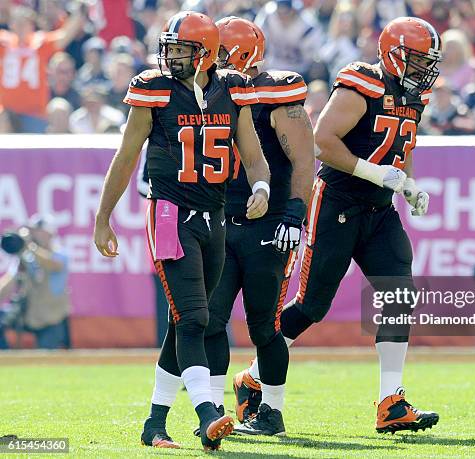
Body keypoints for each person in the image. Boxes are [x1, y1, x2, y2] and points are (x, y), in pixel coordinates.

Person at [236, 16, 441, 434]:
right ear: (393, 54)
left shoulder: (414, 96)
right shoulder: (361, 82)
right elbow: (324, 143)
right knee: (312, 305)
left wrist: (408, 183)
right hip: (338, 202)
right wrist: (374, 172)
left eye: (428, 62)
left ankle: (391, 401)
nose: (424, 70)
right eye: (417, 60)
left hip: (379, 208)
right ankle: (253, 377)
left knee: (399, 292)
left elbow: (403, 145)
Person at [93, 11, 270, 451]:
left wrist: (262, 184)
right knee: (194, 318)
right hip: (170, 214)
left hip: (215, 217)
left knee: (185, 323)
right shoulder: (155, 88)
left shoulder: (232, 88)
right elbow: (127, 154)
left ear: (206, 54)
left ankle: (154, 424)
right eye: (168, 48)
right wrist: (103, 217)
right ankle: (208, 412)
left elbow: (251, 148)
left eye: (181, 50)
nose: (171, 57)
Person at [200, 16, 314, 436]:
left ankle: (272, 412)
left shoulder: (276, 91)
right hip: (220, 223)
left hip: (268, 225)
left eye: (209, 49)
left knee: (264, 325)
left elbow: (305, 158)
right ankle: (211, 411)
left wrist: (294, 212)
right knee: (212, 319)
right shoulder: (198, 94)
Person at [0, 4, 85, 132]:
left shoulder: (40, 43)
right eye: (17, 23)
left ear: (32, 25)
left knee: (32, 150)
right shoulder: (4, 42)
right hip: (7, 111)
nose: (21, 27)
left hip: (34, 113)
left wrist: (79, 14)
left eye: (24, 23)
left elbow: (64, 36)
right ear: (11, 25)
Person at [0, 215, 71, 350]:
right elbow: (9, 283)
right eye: (34, 232)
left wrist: (29, 246)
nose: (36, 235)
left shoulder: (61, 254)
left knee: (46, 357)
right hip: (29, 312)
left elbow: (52, 263)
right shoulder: (26, 256)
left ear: (50, 234)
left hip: (52, 316)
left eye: (39, 232)